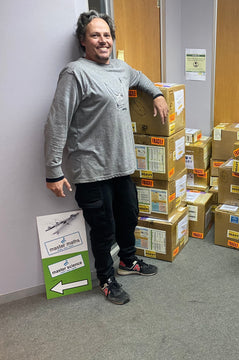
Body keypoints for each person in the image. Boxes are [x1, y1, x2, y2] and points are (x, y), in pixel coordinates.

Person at [44, 11, 169, 305]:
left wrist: (158, 94)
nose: (103, 40)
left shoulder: (121, 69)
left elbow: (140, 77)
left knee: (128, 218)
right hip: (91, 170)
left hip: (122, 166)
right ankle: (106, 278)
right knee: (103, 230)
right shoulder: (75, 73)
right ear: (83, 41)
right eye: (95, 35)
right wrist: (53, 171)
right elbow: (56, 123)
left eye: (107, 35)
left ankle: (127, 261)